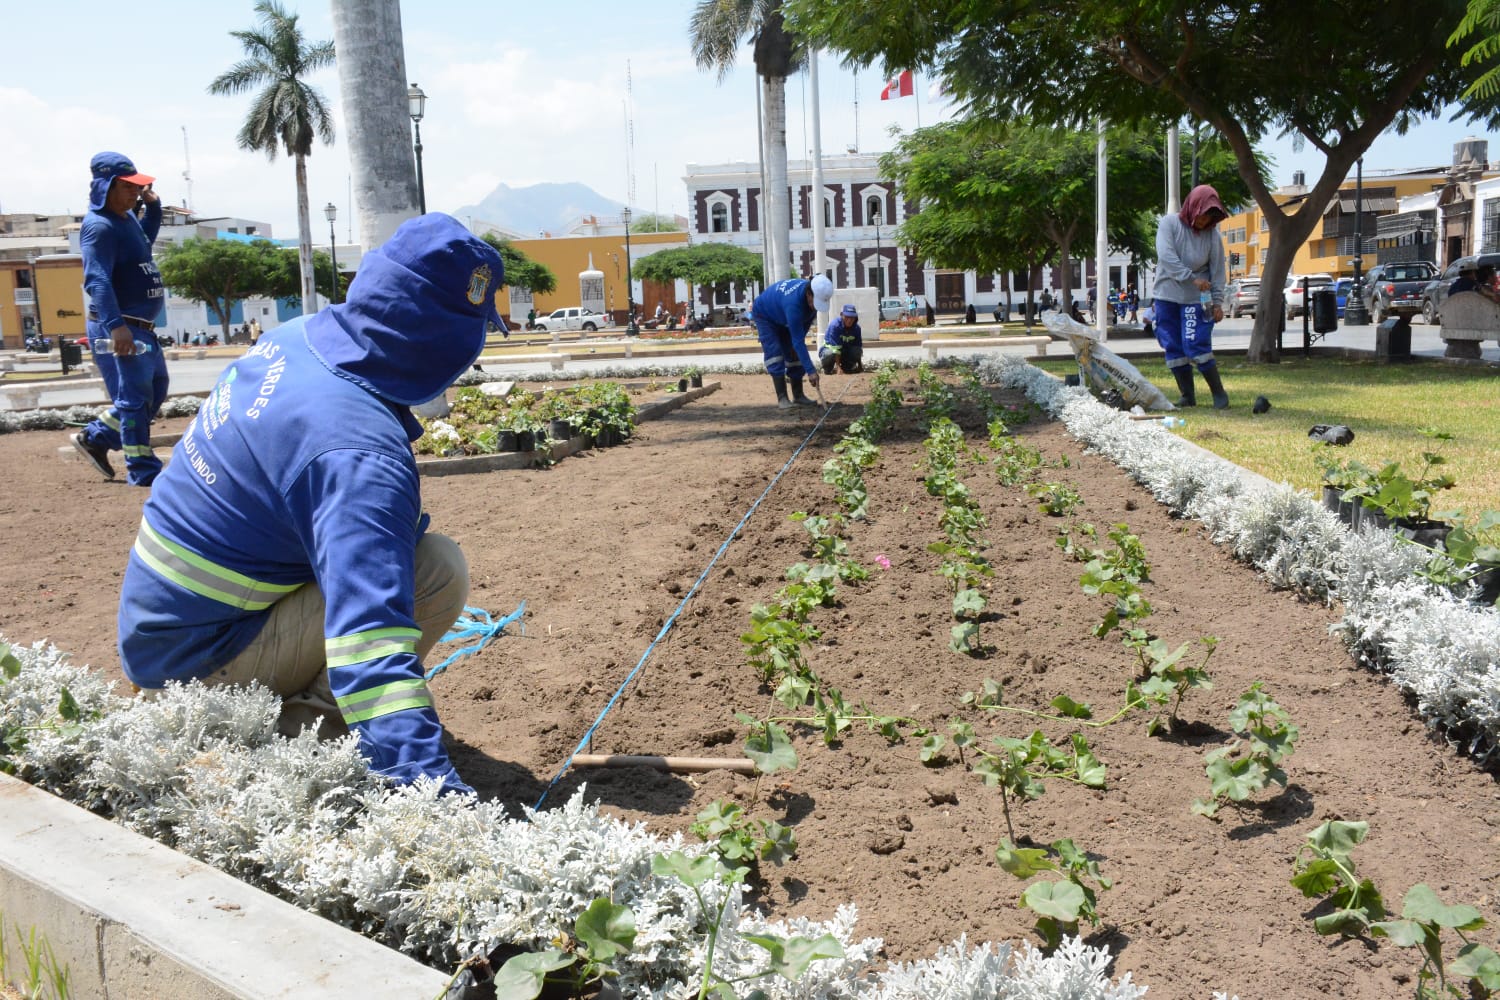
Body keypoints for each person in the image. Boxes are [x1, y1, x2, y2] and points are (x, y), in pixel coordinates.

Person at [115, 213, 501, 795]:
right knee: (434, 572)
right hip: (197, 662)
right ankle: (292, 741)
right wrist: (435, 799)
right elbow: (371, 640)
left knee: (396, 557)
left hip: (160, 629)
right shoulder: (354, 451)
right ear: (446, 342)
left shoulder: (294, 340)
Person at [70, 152, 169, 485]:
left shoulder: (126, 221)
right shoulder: (99, 226)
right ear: (106, 186)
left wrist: (153, 208)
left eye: (138, 187)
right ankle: (142, 470)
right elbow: (96, 279)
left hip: (140, 325)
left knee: (155, 389)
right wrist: (116, 327)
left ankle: (95, 438)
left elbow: (144, 242)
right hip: (121, 324)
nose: (134, 193)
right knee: (134, 398)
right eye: (128, 187)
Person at [1154, 183, 1231, 409]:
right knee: (1173, 346)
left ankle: (1218, 393)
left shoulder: (1212, 236)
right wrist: (1190, 277)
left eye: (1209, 219)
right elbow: (1166, 257)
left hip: (1195, 300)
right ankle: (1187, 395)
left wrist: (1217, 302)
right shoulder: (1169, 224)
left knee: (1196, 342)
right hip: (1167, 295)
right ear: (1193, 207)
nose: (1204, 222)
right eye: (1202, 216)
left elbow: (1217, 271)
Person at [750, 275, 829, 408]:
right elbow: (798, 341)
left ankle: (798, 396)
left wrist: (795, 344)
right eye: (814, 302)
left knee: (795, 353)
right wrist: (810, 371)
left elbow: (802, 330)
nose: (815, 307)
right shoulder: (793, 304)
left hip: (782, 314)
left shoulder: (811, 303)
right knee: (775, 353)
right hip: (765, 315)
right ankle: (782, 399)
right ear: (809, 294)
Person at [821, 303, 864, 375]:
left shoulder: (857, 328)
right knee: (829, 353)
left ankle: (847, 367)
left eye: (852, 317)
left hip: (845, 352)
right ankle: (828, 368)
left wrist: (860, 365)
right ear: (841, 315)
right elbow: (836, 349)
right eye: (847, 317)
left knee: (856, 350)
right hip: (831, 351)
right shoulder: (835, 326)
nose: (849, 320)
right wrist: (838, 367)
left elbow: (858, 348)